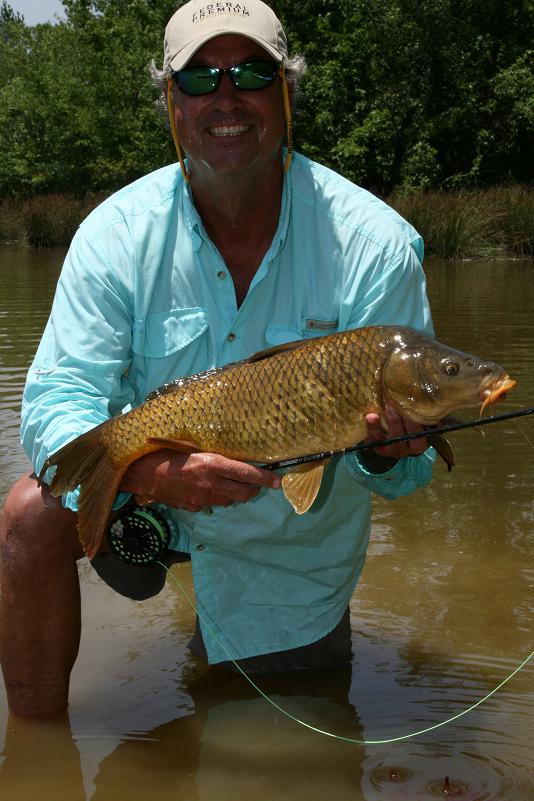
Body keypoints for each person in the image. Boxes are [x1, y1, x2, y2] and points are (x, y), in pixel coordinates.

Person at [0, 0, 436, 717]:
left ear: (286, 92)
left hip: (289, 543)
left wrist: (384, 452)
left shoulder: (376, 246)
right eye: (199, 80)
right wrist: (149, 471)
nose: (225, 97)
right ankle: (36, 751)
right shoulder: (114, 235)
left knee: (275, 739)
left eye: (252, 72)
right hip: (146, 498)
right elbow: (56, 399)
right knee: (27, 515)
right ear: (171, 103)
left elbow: (408, 475)